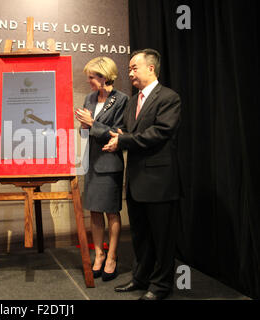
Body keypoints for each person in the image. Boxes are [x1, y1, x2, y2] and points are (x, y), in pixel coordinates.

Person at [103, 49, 181, 300]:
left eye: (134, 68)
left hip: (159, 182)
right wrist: (107, 132)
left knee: (162, 239)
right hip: (136, 181)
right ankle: (141, 278)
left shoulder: (169, 97)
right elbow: (126, 130)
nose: (130, 73)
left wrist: (123, 139)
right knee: (140, 236)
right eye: (129, 68)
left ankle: (160, 287)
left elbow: (159, 132)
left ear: (151, 68)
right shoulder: (134, 100)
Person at [75, 57, 128, 282]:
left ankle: (112, 257)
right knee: (94, 211)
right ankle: (99, 254)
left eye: (91, 77)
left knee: (111, 212)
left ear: (104, 77)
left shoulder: (121, 99)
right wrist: (83, 126)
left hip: (109, 161)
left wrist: (92, 124)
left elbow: (120, 132)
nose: (88, 81)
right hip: (92, 161)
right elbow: (86, 131)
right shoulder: (89, 98)